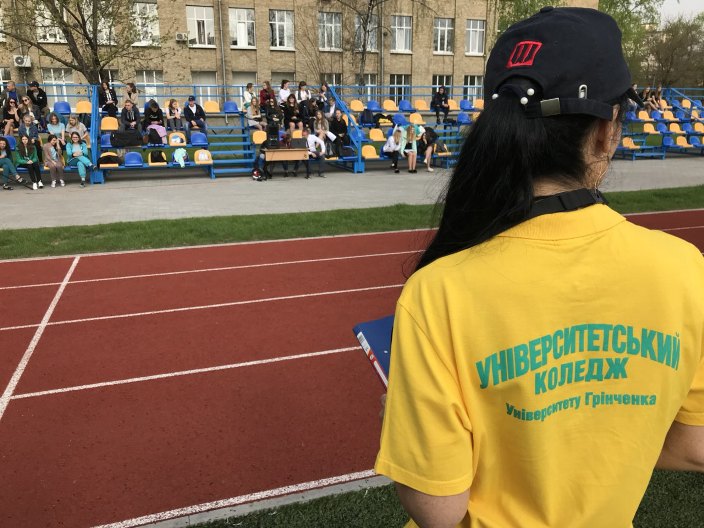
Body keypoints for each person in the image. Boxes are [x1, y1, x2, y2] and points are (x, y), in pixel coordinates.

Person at [376, 8, 704, 528]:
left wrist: (403, 424)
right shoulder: (687, 270)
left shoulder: (438, 292)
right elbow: (694, 446)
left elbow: (438, 509)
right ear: (606, 132)